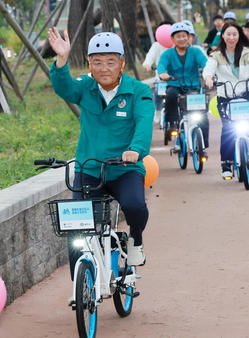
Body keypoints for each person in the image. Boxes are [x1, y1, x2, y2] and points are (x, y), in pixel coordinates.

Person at [48, 28, 154, 271]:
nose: (104, 68)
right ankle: (80, 285)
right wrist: (62, 60)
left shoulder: (138, 91)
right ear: (89, 64)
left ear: (121, 64)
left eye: (110, 62)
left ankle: (136, 242)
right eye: (97, 62)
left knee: (135, 206)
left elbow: (144, 123)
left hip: (124, 169)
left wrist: (135, 149)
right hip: (90, 169)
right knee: (77, 228)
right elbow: (64, 88)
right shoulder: (85, 87)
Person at [203, 22, 249, 178]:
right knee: (227, 130)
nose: (231, 38)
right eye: (228, 34)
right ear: (223, 36)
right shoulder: (216, 54)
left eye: (235, 34)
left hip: (244, 93)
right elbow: (209, 69)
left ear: (239, 36)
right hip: (225, 96)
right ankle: (226, 164)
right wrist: (208, 78)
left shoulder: (246, 52)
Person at [157, 22, 209, 149]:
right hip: (175, 85)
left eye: (184, 36)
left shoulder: (196, 51)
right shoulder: (167, 54)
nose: (182, 39)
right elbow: (162, 65)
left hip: (193, 87)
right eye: (178, 36)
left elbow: (205, 64)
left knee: (202, 115)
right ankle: (172, 123)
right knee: (170, 94)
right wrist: (162, 73)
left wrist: (208, 73)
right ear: (172, 39)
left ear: (189, 37)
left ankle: (203, 144)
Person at [143, 20, 174, 122]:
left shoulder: (176, 45)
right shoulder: (156, 45)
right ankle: (157, 111)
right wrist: (147, 64)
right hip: (160, 77)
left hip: (175, 77)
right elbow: (150, 56)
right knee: (157, 93)